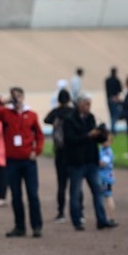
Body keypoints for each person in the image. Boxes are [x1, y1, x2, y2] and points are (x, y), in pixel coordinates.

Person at [0, 87, 45, 238]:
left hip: (28, 161)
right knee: (16, 195)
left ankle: (37, 226)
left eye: (19, 95)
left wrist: (36, 150)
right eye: (14, 96)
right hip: (12, 161)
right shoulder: (6, 113)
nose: (17, 98)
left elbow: (39, 134)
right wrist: (2, 101)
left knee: (32, 194)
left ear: (23, 97)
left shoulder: (31, 115)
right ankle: (20, 227)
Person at [63, 93, 118, 231]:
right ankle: (77, 221)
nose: (89, 107)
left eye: (90, 104)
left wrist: (102, 134)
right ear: (79, 104)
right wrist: (88, 135)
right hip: (76, 162)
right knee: (75, 193)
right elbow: (70, 140)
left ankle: (102, 219)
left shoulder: (91, 118)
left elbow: (97, 140)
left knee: (98, 191)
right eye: (86, 104)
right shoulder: (69, 119)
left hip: (91, 161)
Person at [44, 88, 75, 222]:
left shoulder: (56, 113)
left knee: (61, 184)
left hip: (60, 152)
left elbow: (46, 119)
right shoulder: (73, 112)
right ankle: (79, 211)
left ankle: (61, 212)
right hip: (73, 152)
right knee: (75, 183)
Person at [99, 132, 116, 223]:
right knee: (104, 197)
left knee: (108, 196)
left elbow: (103, 163)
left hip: (105, 178)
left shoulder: (107, 151)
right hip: (103, 177)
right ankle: (107, 216)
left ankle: (111, 217)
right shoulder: (101, 149)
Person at [105, 67, 123, 135]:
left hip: (109, 99)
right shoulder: (117, 80)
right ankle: (113, 130)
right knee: (115, 115)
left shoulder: (107, 80)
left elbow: (107, 90)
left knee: (111, 115)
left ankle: (112, 130)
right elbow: (120, 90)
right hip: (115, 99)